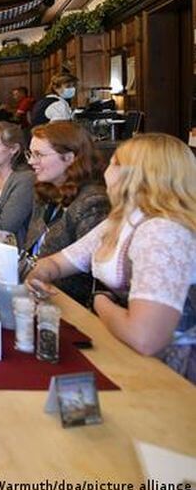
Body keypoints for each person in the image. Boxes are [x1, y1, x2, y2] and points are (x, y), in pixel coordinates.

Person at [26, 134, 196, 382]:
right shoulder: (124, 219)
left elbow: (144, 338)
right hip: (121, 347)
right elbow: (56, 263)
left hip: (168, 373)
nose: (106, 170)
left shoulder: (163, 231)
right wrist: (39, 275)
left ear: (139, 175)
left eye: (115, 163)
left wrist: (100, 302)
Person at [22, 122, 109, 305]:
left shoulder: (93, 202)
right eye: (31, 154)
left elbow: (91, 277)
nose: (31, 161)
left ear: (70, 158)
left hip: (65, 303)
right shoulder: (45, 190)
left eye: (39, 155)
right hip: (33, 289)